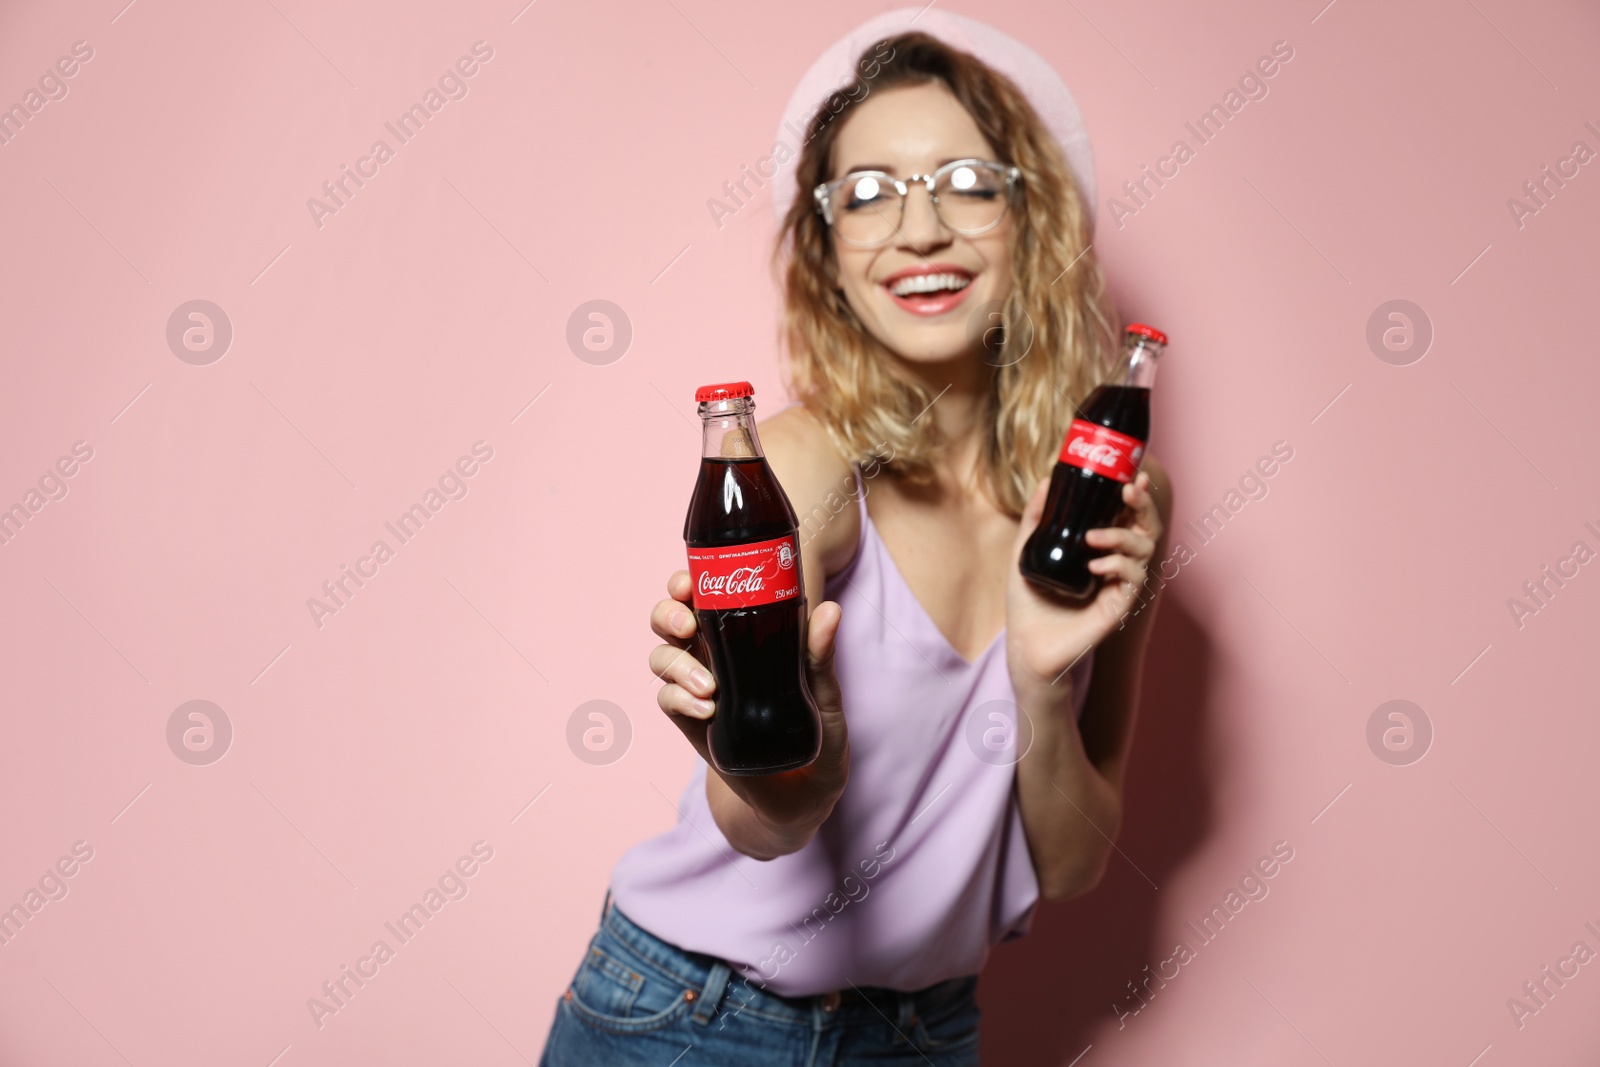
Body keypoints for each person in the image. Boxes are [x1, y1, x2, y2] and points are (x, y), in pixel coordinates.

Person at [540, 10, 1172, 1065]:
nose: (917, 231)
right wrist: (784, 770)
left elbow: (1068, 868)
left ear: (1036, 217)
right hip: (689, 1017)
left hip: (926, 1032)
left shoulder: (1110, 500)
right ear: (832, 253)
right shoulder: (804, 469)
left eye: (965, 182)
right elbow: (767, 823)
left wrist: (1037, 675)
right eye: (867, 195)